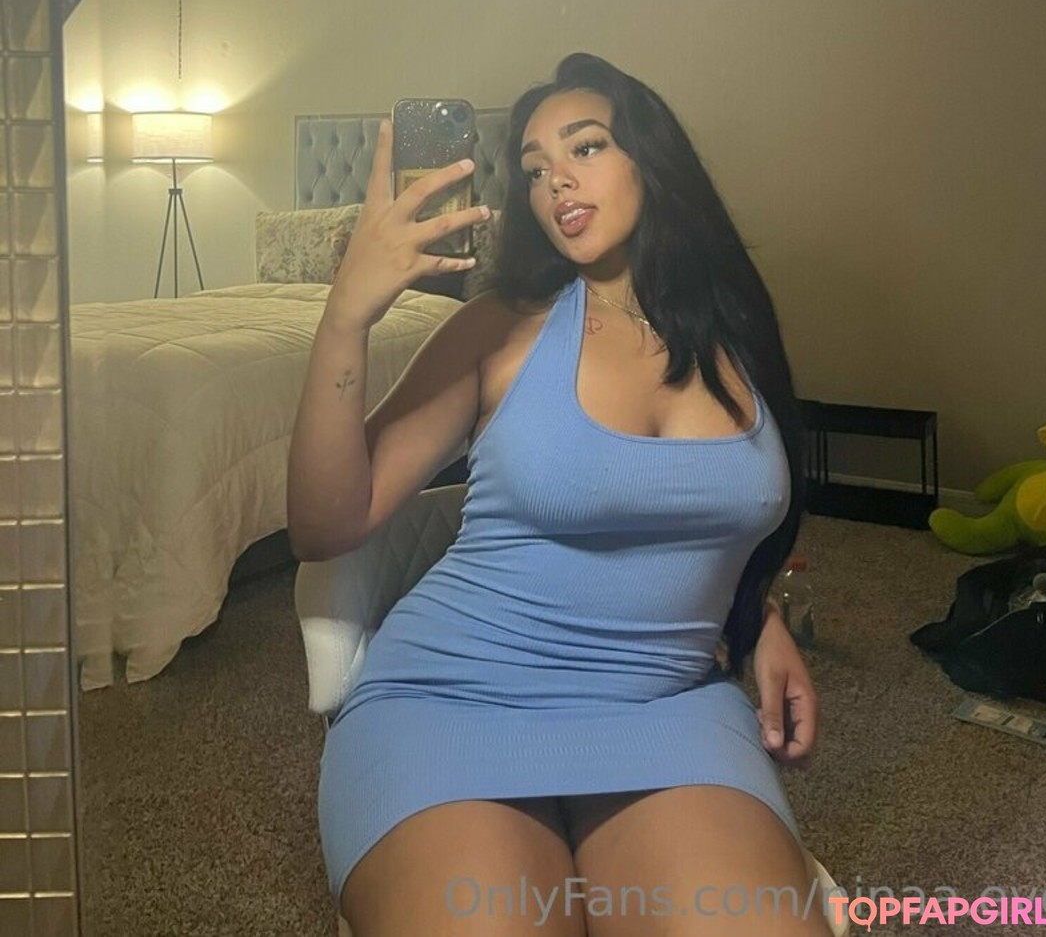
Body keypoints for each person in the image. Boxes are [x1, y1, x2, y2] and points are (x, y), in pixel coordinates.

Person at [288, 52, 826, 937]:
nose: (555, 183)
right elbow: (322, 523)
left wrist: (753, 616)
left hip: (666, 708)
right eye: (534, 169)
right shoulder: (500, 328)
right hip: (453, 701)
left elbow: (716, 512)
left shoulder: (739, 328)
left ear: (651, 157)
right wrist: (345, 316)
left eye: (584, 147)